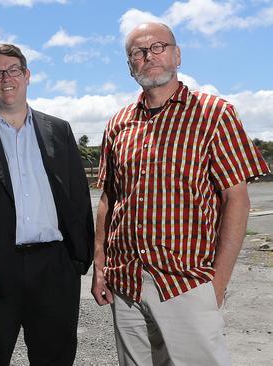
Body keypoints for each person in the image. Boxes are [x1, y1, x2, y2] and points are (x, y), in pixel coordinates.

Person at [92, 22, 270, 365]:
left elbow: (237, 199)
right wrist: (100, 267)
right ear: (130, 65)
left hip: (186, 284)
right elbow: (108, 199)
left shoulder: (214, 114)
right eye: (138, 52)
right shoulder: (118, 123)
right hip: (125, 283)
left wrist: (216, 283)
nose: (149, 56)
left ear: (177, 54)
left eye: (158, 47)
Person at [0, 43, 94, 365]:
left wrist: (78, 259)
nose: (6, 78)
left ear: (26, 75)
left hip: (55, 267)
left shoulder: (58, 129)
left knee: (55, 358)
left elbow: (78, 198)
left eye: (13, 70)